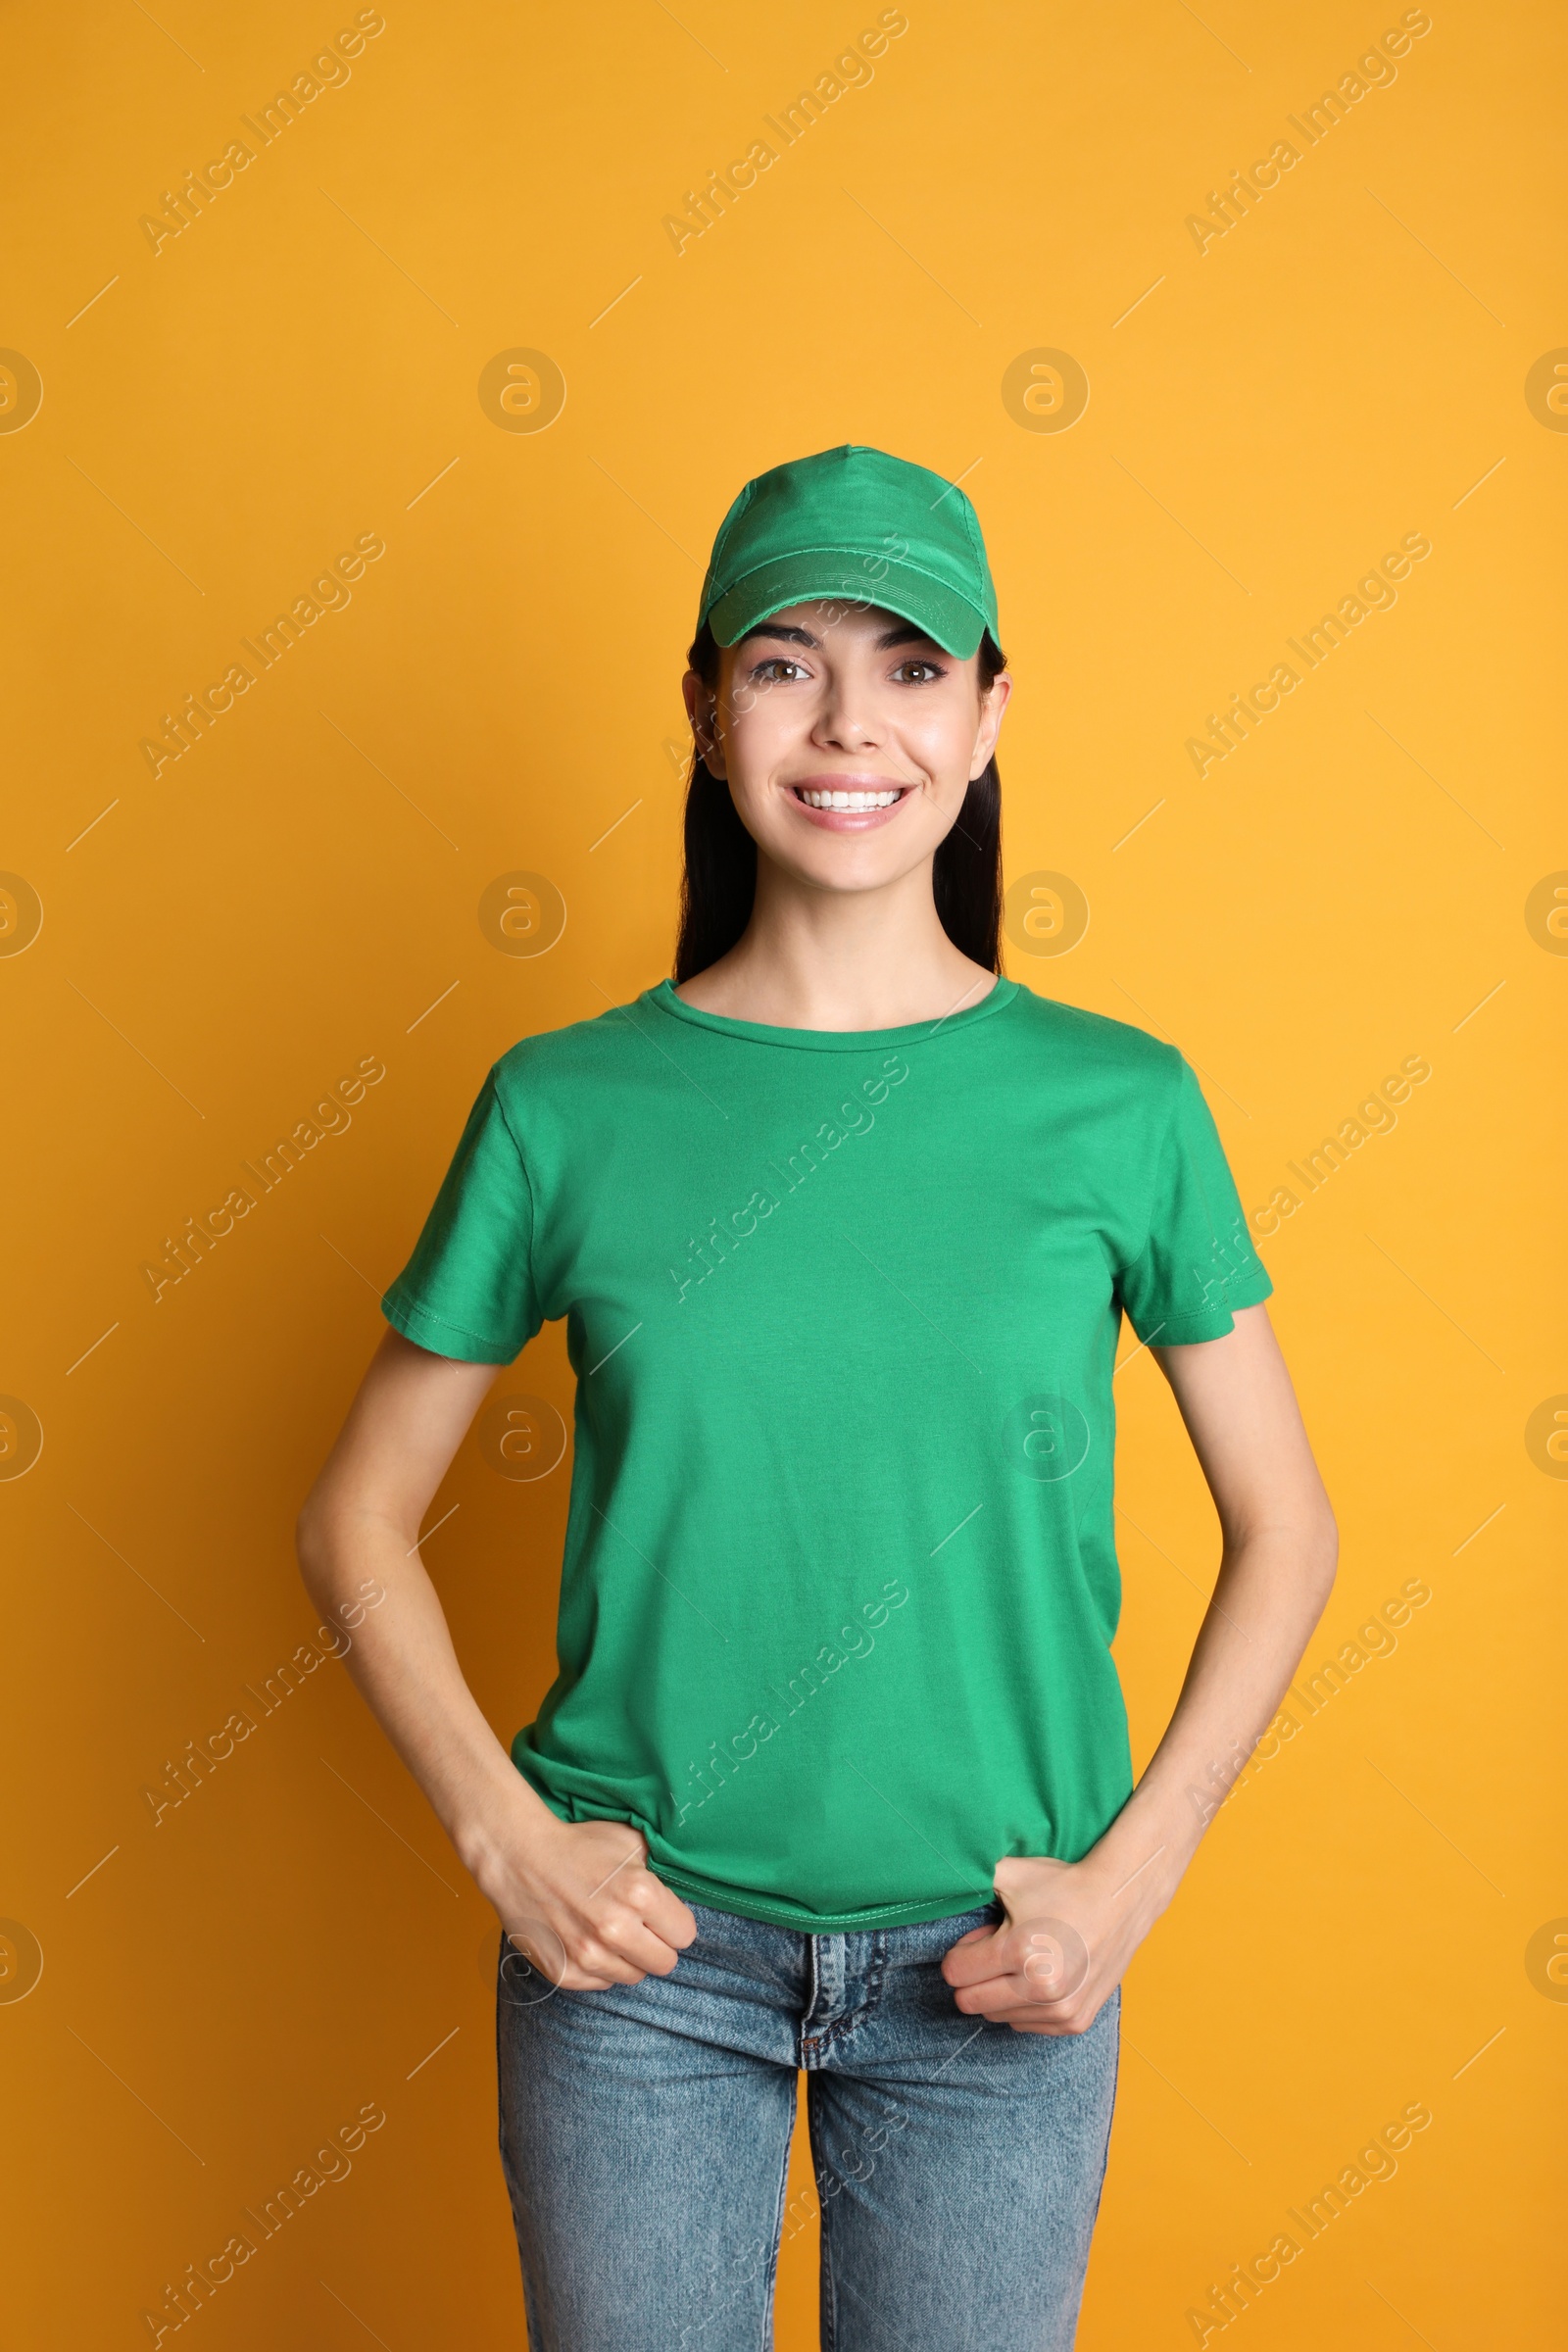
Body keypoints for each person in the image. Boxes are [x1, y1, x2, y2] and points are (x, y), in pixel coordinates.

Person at [297, 444, 1338, 2351]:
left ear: (988, 711)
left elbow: (1286, 1529)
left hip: (997, 1965)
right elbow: (354, 1513)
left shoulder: (1118, 1107)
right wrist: (500, 1835)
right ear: (702, 710)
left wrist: (1129, 1881)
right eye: (782, 663)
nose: (848, 721)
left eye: (911, 666)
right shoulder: (566, 1107)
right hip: (644, 1969)